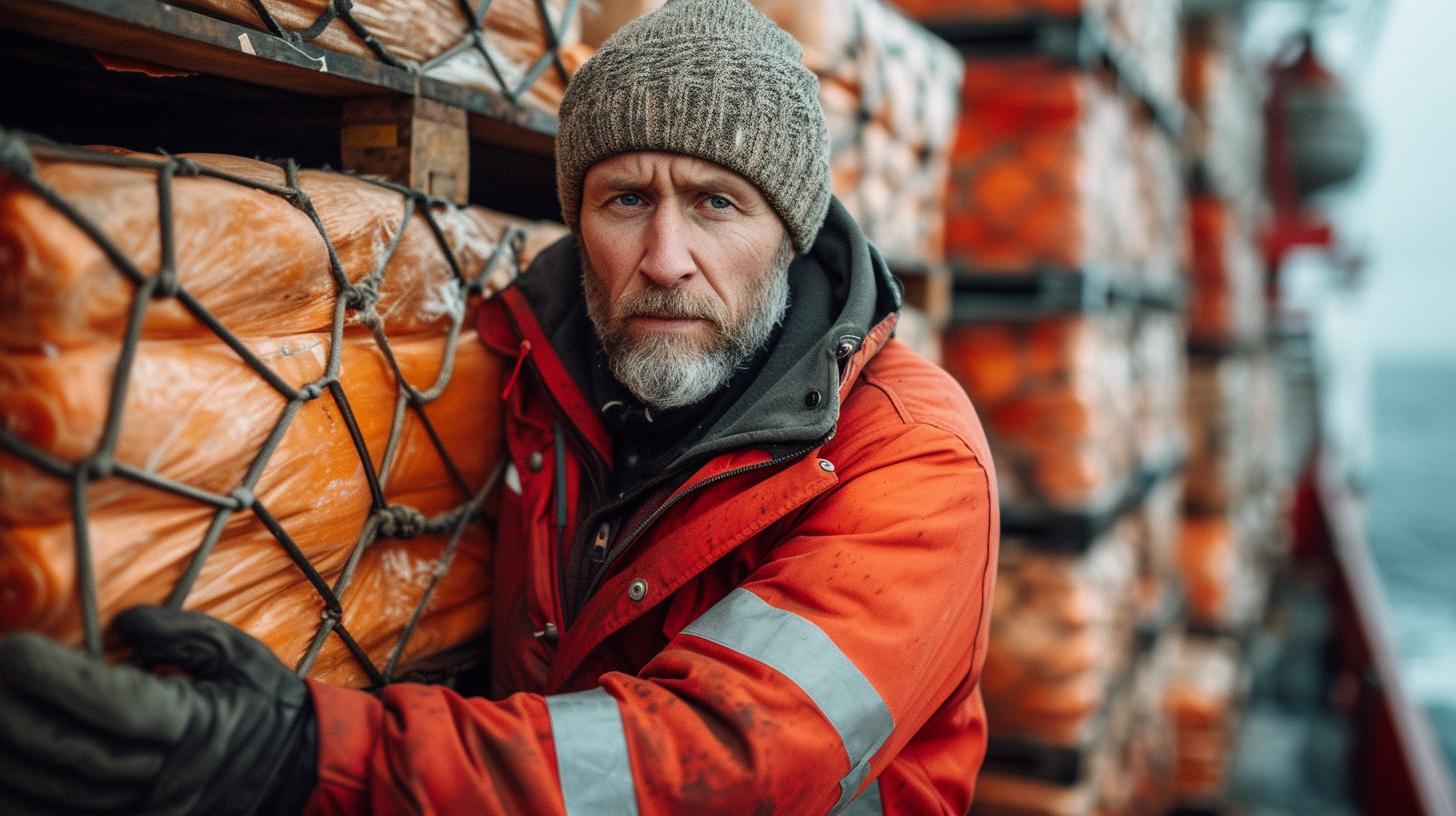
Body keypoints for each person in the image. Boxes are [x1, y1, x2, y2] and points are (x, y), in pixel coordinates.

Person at [0, 1, 999, 813]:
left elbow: (728, 760)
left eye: (714, 203)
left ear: (789, 233)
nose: (662, 258)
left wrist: (309, 753)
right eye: (623, 200)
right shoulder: (534, 367)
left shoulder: (908, 461)